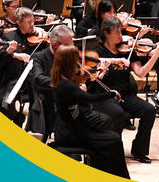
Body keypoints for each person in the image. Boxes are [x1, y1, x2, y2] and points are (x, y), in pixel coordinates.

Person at [91, 16, 159, 163]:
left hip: (126, 95)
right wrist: (111, 63)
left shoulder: (126, 51)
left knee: (149, 110)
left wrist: (156, 54)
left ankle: (139, 150)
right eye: (117, 32)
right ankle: (114, 150)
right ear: (106, 33)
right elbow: (93, 65)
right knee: (118, 114)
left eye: (121, 32)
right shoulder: (98, 51)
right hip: (106, 96)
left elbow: (141, 72)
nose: (121, 36)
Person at [50, 45, 130, 178]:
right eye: (76, 60)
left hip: (74, 127)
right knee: (114, 140)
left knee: (113, 139)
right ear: (70, 62)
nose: (79, 63)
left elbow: (81, 95)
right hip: (71, 133)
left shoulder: (61, 79)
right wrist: (111, 94)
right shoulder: (67, 85)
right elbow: (90, 98)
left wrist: (96, 73)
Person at [29, 24, 74, 139]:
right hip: (48, 101)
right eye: (69, 45)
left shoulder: (70, 56)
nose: (73, 48)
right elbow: (39, 78)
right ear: (55, 45)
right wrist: (62, 84)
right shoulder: (39, 57)